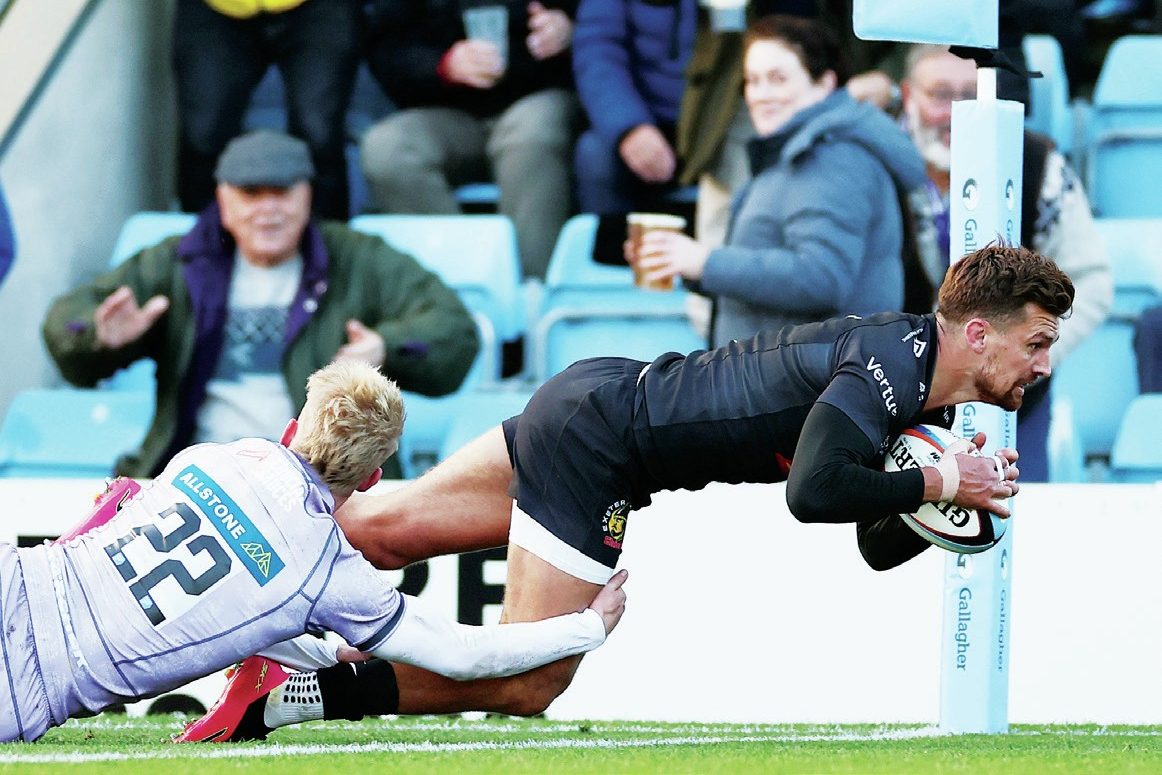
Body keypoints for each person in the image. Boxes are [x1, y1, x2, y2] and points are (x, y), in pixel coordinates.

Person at [181, 243, 1074, 741]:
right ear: (980, 333)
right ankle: (293, 695)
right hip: (603, 443)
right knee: (532, 680)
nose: (1043, 363)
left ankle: (187, 566)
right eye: (1035, 342)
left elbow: (871, 538)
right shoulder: (885, 367)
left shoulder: (918, 395)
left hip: (593, 396)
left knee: (372, 528)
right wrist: (934, 476)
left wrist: (953, 512)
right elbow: (810, 491)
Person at [0, 360, 627, 743]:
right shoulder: (324, 571)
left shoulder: (210, 457)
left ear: (294, 428)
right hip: (33, 684)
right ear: (375, 478)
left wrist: (321, 649)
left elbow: (223, 603)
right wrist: (584, 628)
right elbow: (463, 657)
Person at [42, 130, 478, 481]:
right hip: (193, 480)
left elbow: (455, 332)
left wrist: (385, 346)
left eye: (282, 192)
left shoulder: (359, 257)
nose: (268, 209)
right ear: (223, 200)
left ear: (307, 194)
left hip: (319, 484)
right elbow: (67, 322)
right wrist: (98, 335)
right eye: (251, 193)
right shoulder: (179, 261)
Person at [635, 15, 927, 346]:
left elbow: (821, 277)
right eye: (752, 80)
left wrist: (706, 262)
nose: (761, 94)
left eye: (778, 79)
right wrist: (688, 266)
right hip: (791, 383)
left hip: (814, 389)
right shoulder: (796, 151)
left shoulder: (832, 158)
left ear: (825, 83)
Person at [900, 44, 1113, 480]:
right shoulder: (880, 166)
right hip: (901, 397)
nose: (956, 113)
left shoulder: (1038, 164)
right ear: (908, 96)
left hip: (1016, 404)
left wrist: (1024, 352)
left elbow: (1092, 282)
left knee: (1015, 519)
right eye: (940, 94)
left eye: (969, 95)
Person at [359, 0, 579, 279]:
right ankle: (461, 287)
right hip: (447, 111)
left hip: (538, 97)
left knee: (530, 134)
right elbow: (387, 49)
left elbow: (611, 23)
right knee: (386, 148)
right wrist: (443, 65)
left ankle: (531, 293)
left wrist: (571, 30)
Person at [172, 0, 362, 220]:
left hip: (318, 8)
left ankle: (327, 246)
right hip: (217, 8)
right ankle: (201, 245)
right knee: (204, 135)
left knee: (319, 133)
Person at [571, 0, 697, 215]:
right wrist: (630, 128)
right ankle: (609, 247)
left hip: (721, 122)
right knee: (596, 157)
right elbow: (597, 53)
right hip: (646, 118)